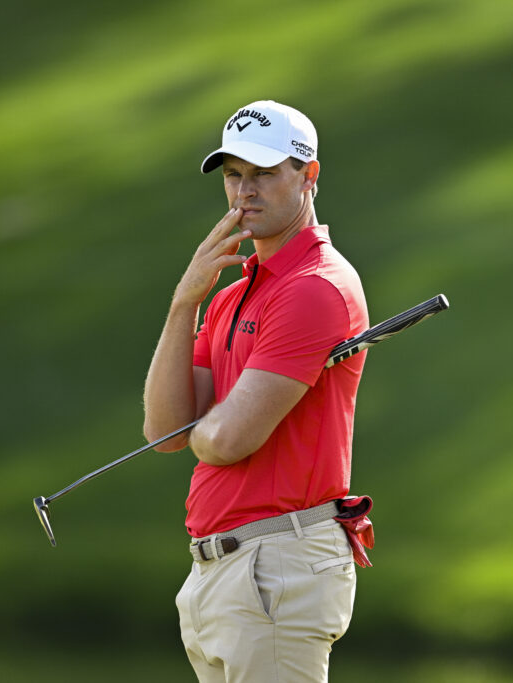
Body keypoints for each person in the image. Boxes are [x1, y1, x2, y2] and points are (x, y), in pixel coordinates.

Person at [142, 100, 372, 682]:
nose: (245, 191)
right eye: (233, 174)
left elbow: (227, 441)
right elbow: (165, 431)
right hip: (223, 573)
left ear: (309, 175)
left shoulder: (315, 288)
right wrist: (184, 302)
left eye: (264, 173)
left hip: (277, 567)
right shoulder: (229, 295)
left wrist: (205, 426)